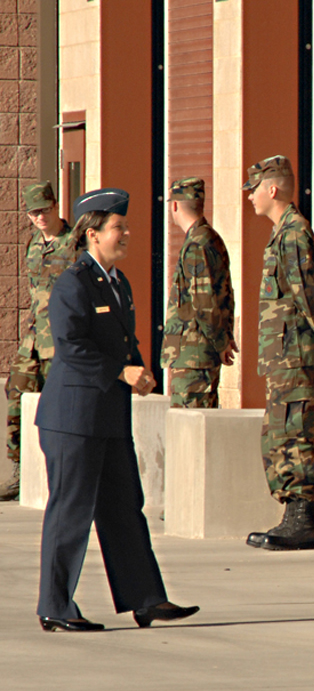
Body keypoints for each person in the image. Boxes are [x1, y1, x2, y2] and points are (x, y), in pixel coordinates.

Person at [35, 188, 198, 632]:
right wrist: (122, 373)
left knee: (125, 507)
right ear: (92, 234)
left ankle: (146, 599)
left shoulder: (118, 282)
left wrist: (139, 369)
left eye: (125, 227)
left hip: (108, 417)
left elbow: (123, 342)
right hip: (72, 420)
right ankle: (55, 606)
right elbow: (71, 347)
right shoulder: (73, 283)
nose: (125, 234)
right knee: (70, 511)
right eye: (117, 228)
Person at [242, 155, 314, 551]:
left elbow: (310, 292)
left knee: (294, 431)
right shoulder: (283, 232)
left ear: (273, 189)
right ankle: (291, 515)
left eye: (254, 189)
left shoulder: (294, 233)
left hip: (295, 351)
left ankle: (302, 520)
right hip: (284, 353)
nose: (249, 197)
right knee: (279, 432)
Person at [2, 182, 76, 500]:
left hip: (60, 339)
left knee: (58, 409)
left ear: (55, 206)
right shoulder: (34, 243)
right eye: (33, 213)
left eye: (44, 210)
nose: (39, 218)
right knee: (16, 392)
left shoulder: (74, 244)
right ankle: (19, 469)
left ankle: (60, 476)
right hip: (34, 337)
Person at [161, 177, 238, 408]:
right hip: (200, 353)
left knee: (189, 428)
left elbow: (204, 302)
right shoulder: (210, 238)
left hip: (194, 356)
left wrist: (221, 341)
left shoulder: (196, 244)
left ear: (174, 205)